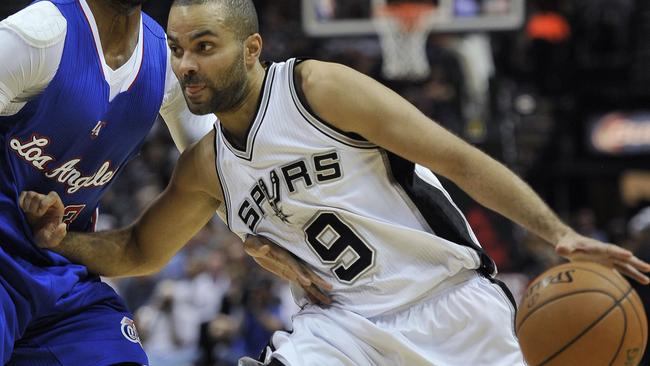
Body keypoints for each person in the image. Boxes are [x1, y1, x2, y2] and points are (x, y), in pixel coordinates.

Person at [19, 0, 650, 365]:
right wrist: (59, 238)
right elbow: (136, 251)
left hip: (454, 310)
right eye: (179, 50)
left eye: (204, 47)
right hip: (342, 332)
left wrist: (558, 232)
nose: (186, 66)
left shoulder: (317, 89)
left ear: (251, 48)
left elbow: (458, 159)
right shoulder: (206, 166)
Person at [0, 0, 216, 364]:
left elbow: (223, 170)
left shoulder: (164, 61)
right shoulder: (36, 36)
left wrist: (286, 246)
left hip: (62, 273)